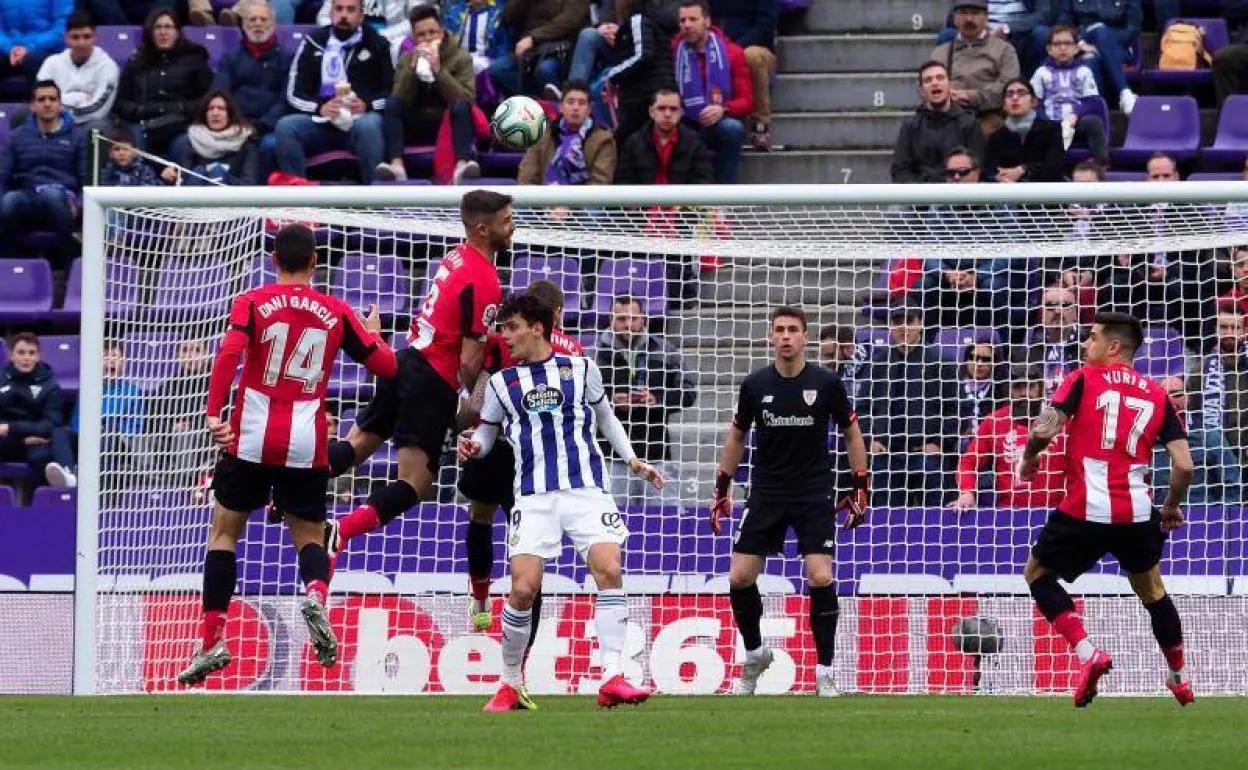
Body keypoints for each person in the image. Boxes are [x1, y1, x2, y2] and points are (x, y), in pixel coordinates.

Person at [176, 224, 399, 687]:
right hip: (305, 440)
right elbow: (387, 367)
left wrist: (214, 412)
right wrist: (374, 337)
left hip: (251, 436)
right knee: (310, 537)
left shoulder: (252, 302)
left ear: (273, 259)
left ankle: (211, 641)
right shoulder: (336, 311)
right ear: (315, 262)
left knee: (223, 535)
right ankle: (316, 594)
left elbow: (228, 356)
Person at [458, 294, 664, 712]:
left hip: (586, 489)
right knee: (522, 589)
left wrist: (632, 459)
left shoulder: (582, 369)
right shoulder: (501, 383)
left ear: (537, 327)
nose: (506, 336)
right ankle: (510, 683)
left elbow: (606, 418)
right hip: (533, 496)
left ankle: (612, 676)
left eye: (512, 327)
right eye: (503, 328)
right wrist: (472, 446)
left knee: (609, 570)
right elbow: (486, 435)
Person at [320, 190, 511, 574]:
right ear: (482, 228)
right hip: (431, 379)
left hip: (404, 361)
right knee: (415, 483)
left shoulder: (455, 256)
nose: (512, 227)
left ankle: (284, 486)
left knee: (356, 447)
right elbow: (469, 360)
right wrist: (470, 406)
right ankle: (339, 531)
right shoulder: (485, 279)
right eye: (506, 221)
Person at [1017, 312, 1194, 708]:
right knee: (1153, 592)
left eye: (1092, 337)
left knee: (1037, 574)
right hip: (1136, 511)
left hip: (1084, 509)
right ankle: (1179, 679)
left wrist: (1029, 458)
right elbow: (1184, 465)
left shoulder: (1082, 378)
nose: (1085, 345)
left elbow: (1045, 427)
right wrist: (1170, 507)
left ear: (1113, 346)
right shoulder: (1159, 395)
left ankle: (1087, 653)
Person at [709, 305, 869, 698]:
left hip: (813, 491)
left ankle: (825, 671)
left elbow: (852, 433)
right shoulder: (754, 384)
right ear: (770, 336)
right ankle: (754, 655)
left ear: (805, 337)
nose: (785, 336)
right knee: (740, 577)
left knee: (819, 575)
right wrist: (721, 487)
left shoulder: (827, 384)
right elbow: (736, 437)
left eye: (792, 330)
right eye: (778, 329)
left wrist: (860, 485)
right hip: (766, 491)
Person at [458, 279, 585, 632]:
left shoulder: (501, 342)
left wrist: (468, 421)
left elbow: (477, 395)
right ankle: (524, 638)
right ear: (557, 312)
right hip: (537, 459)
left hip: (494, 444)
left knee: (481, 517)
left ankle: (481, 597)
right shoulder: (573, 351)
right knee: (531, 545)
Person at [275, 0, 393, 184]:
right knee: (286, 126)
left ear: (361, 16)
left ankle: (376, 197)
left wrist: (367, 104)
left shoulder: (378, 44)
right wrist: (320, 108)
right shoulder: (313, 41)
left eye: (350, 10)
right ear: (331, 14)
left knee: (370, 125)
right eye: (339, 9)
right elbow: (293, 93)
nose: (344, 15)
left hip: (359, 123)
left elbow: (391, 92)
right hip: (322, 124)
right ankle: (296, 200)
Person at [595, 294, 695, 508]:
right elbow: (581, 400)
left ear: (644, 319)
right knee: (612, 523)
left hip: (656, 453)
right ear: (611, 320)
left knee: (665, 524)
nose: (628, 325)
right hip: (612, 457)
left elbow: (688, 392)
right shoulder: (595, 355)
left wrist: (657, 399)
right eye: (621, 319)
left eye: (633, 318)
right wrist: (611, 402)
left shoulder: (666, 350)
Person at [860, 303, 954, 507]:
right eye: (897, 321)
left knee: (934, 521)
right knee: (886, 524)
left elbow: (957, 409)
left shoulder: (941, 361)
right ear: (890, 325)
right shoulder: (878, 363)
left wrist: (939, 442)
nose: (903, 327)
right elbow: (863, 407)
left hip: (925, 453)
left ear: (920, 323)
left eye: (909, 321)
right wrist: (871, 439)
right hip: (886, 455)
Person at [376, 6, 480, 184]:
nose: (428, 38)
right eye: (421, 34)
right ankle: (397, 166)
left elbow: (468, 99)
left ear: (442, 31)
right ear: (414, 38)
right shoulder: (407, 59)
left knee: (461, 105)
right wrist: (412, 71)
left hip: (447, 122)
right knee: (392, 104)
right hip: (418, 122)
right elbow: (399, 98)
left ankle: (462, 164)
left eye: (433, 32)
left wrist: (439, 71)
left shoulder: (461, 57)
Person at [950, 363, 1065, 510]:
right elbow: (968, 462)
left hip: (1055, 512)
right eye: (1018, 387)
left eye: (1031, 387)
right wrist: (967, 492)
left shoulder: (1061, 420)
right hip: (1009, 515)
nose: (1024, 393)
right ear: (1009, 390)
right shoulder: (994, 421)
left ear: (1041, 389)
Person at [0, 80, 88, 265]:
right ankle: (11, 265)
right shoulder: (17, 136)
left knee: (52, 195)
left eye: (52, 99)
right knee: (9, 201)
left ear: (60, 104)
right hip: (27, 195)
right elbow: (3, 175)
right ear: (33, 106)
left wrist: (79, 205)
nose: (47, 103)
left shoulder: (77, 136)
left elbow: (85, 177)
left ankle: (66, 262)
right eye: (41, 99)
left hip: (63, 196)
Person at [111, 9, 213, 159]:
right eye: (158, 27)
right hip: (143, 124)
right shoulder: (136, 62)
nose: (163, 32)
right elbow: (121, 103)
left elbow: (206, 100)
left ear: (177, 32)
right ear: (150, 32)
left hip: (181, 125)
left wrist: (179, 108)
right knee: (132, 143)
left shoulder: (194, 60)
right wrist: (140, 110)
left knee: (184, 144)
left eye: (168, 27)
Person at [673, 0, 752, 184]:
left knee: (732, 129)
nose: (687, 25)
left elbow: (746, 100)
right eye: (682, 20)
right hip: (683, 121)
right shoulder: (673, 52)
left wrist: (723, 109)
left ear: (707, 22)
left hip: (717, 123)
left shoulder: (732, 52)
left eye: (693, 19)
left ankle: (723, 200)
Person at [212, 0, 293, 173]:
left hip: (269, 127)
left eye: (263, 19)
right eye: (252, 19)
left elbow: (286, 100)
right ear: (243, 24)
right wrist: (238, 124)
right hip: (236, 125)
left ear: (273, 24)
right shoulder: (230, 58)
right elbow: (220, 94)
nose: (258, 24)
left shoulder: (287, 59)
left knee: (270, 145)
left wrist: (261, 125)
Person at [0, 332, 77, 489]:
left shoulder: (50, 386)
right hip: (9, 441)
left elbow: (50, 424)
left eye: (31, 353)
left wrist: (11, 428)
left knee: (40, 456)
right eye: (21, 352)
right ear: (11, 356)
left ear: (38, 357)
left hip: (36, 441)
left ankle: (66, 484)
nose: (26, 358)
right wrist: (20, 436)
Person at [930, 0, 1020, 131]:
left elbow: (1008, 86)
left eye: (975, 13)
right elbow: (927, 83)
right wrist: (947, 95)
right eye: (963, 13)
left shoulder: (1004, 50)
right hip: (949, 116)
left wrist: (971, 97)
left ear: (986, 18)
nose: (969, 19)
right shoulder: (941, 52)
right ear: (955, 18)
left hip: (989, 116)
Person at [890, 60, 985, 184]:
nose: (935, 83)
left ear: (950, 85)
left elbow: (977, 169)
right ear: (921, 89)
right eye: (928, 80)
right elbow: (900, 171)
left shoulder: (970, 124)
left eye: (940, 78)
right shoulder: (910, 126)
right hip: (919, 197)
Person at [1030, 24, 1109, 167]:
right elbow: (1035, 103)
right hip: (1050, 122)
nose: (1063, 48)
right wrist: (1046, 120)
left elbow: (1092, 101)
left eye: (1067, 43)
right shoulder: (1041, 73)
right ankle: (1040, 169)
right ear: (1049, 49)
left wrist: (1075, 115)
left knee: (1094, 122)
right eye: (1057, 44)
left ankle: (1101, 165)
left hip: (1075, 122)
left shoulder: (1084, 71)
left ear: (1076, 48)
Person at [600, 0, 678, 144]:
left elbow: (643, 54)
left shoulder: (638, 19)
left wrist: (612, 75)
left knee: (624, 143)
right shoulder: (655, 19)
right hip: (654, 93)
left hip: (643, 97)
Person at [517, 79, 617, 185]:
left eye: (581, 103)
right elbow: (527, 177)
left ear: (589, 109)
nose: (575, 108)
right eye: (570, 102)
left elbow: (600, 183)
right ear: (561, 107)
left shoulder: (603, 140)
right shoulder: (542, 135)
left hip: (585, 200)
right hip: (543, 199)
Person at [34, 10, 119, 132]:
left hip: (87, 123)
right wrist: (78, 97)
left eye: (87, 37)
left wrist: (59, 102)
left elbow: (99, 111)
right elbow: (40, 98)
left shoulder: (108, 66)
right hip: (52, 121)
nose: (81, 43)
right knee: (22, 114)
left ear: (95, 37)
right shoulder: (51, 63)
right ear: (66, 38)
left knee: (98, 126)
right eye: (75, 37)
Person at [709, 0, 778, 150]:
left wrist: (734, 49)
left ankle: (761, 124)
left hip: (756, 48)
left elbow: (765, 28)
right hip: (717, 45)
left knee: (751, 56)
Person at [147, 337, 215, 488]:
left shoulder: (217, 383)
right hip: (170, 442)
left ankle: (181, 486)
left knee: (186, 434)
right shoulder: (168, 387)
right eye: (185, 350)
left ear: (207, 354)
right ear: (178, 356)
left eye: (197, 350)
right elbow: (152, 421)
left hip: (208, 442)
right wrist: (171, 428)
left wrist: (194, 425)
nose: (191, 356)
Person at [490, 0, 590, 99]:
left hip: (561, 47)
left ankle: (561, 104)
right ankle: (535, 101)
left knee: (545, 70)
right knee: (499, 69)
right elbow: (508, 15)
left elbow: (570, 20)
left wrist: (534, 38)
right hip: (530, 49)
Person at [935, 0, 1056, 79]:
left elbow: (1043, 15)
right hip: (977, 32)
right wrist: (979, 28)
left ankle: (1033, 86)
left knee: (1042, 34)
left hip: (1017, 36)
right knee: (947, 35)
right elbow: (954, 16)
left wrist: (1007, 29)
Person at [614, 88, 714, 184]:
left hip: (683, 201)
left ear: (681, 113)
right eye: (661, 108)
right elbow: (623, 182)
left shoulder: (695, 142)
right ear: (651, 112)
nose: (667, 114)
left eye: (673, 109)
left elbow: (703, 181)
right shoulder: (633, 142)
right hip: (642, 200)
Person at [168, 90, 260, 186]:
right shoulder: (192, 140)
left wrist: (221, 176)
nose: (215, 113)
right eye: (210, 109)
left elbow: (248, 184)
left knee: (217, 171)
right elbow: (182, 180)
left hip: (231, 198)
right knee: (199, 171)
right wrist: (171, 176)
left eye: (221, 108)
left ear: (230, 114)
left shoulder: (247, 143)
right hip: (194, 196)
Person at [984, 78, 1064, 182]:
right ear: (1004, 105)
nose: (1015, 97)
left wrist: (1023, 169)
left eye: (1021, 93)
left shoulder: (1052, 130)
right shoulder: (996, 137)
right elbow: (991, 171)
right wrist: (1000, 178)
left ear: (1034, 102)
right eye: (1009, 94)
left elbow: (1054, 166)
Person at [1069, 0, 1140, 113]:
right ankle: (1124, 92)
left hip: (1118, 47)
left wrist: (1104, 41)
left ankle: (1097, 112)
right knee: (1091, 59)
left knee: (1100, 34)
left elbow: (1132, 29)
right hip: (1082, 46)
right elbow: (1065, 23)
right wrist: (1080, 43)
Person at [0, 0, 71, 96]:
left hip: (47, 49)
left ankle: (38, 107)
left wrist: (29, 47)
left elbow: (61, 29)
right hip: (10, 49)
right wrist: (10, 48)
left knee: (31, 60)